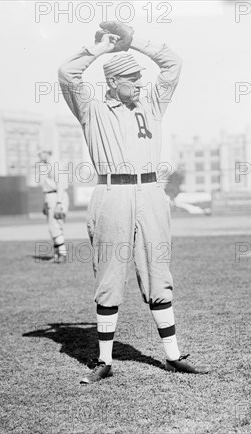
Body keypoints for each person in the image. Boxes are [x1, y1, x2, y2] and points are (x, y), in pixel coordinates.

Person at [58, 21, 208, 384]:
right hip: (112, 193)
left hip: (151, 193)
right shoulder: (91, 109)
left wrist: (133, 42)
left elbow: (173, 62)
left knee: (159, 273)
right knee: (110, 276)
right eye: (132, 79)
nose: (140, 84)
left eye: (140, 78)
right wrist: (102, 49)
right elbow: (67, 72)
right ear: (112, 82)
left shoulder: (152, 103)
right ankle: (104, 361)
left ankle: (173, 356)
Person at [38, 149, 68, 263]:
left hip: (57, 196)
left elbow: (60, 184)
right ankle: (57, 255)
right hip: (50, 196)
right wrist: (45, 203)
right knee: (53, 227)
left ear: (46, 153)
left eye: (40, 153)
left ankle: (62, 254)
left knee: (55, 226)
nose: (38, 155)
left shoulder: (55, 164)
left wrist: (59, 203)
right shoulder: (46, 166)